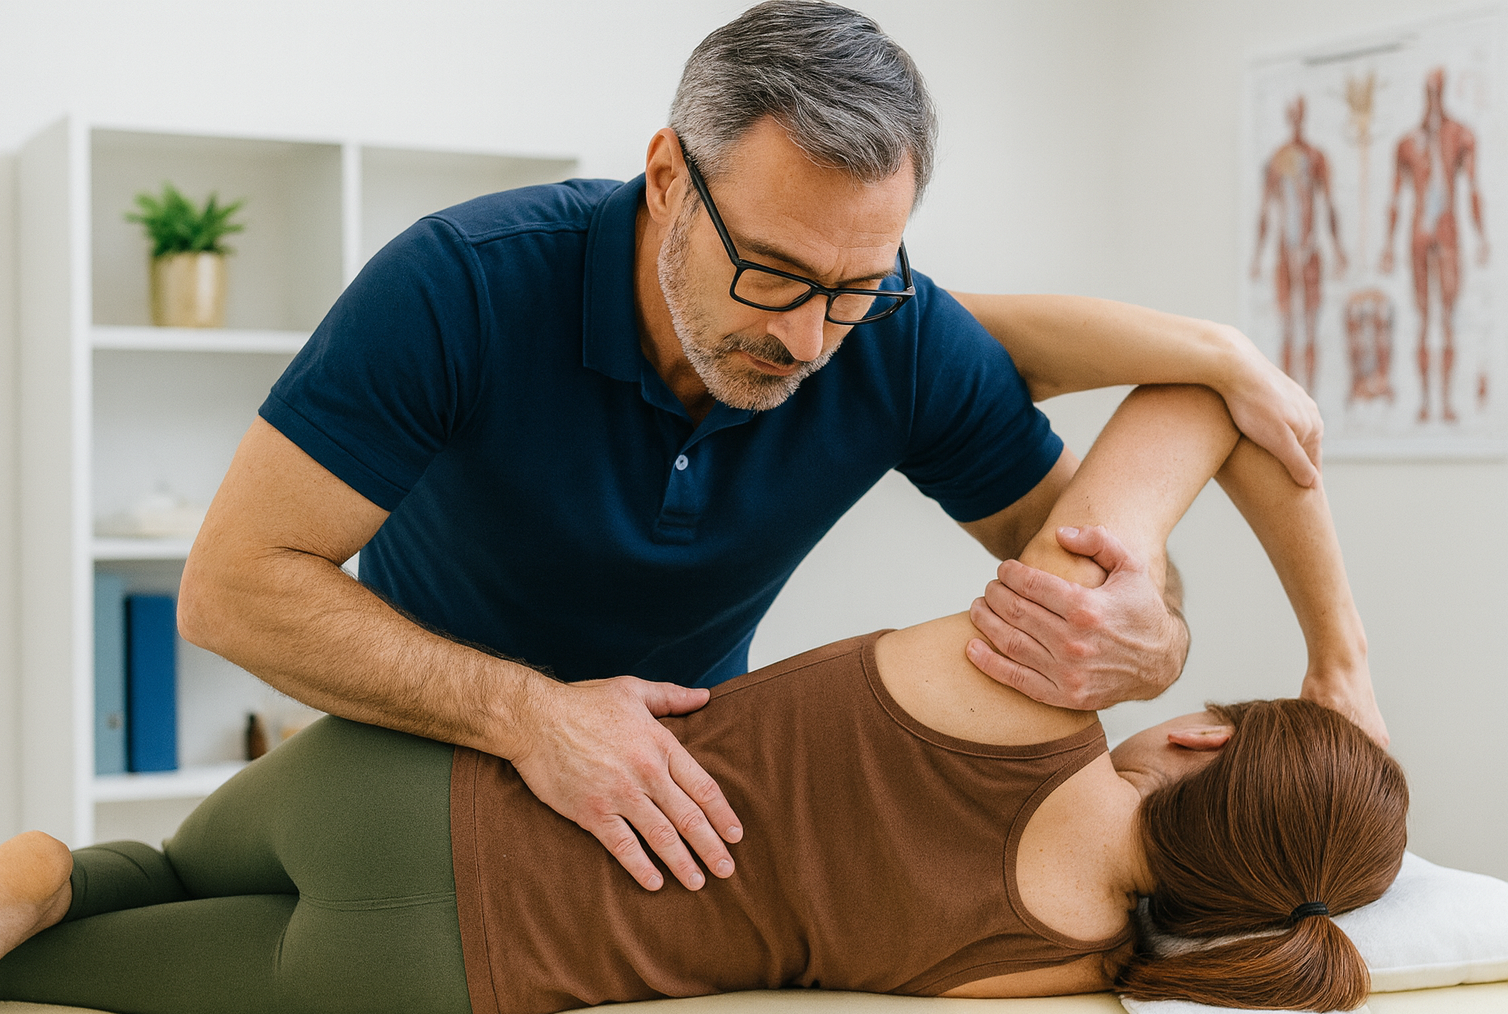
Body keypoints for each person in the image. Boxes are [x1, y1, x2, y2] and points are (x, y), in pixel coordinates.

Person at [177, 0, 1353, 899]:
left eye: (850, 287)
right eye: (774, 273)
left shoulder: (891, 333)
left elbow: (1100, 556)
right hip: (416, 765)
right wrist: (533, 715)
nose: (803, 338)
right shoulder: (462, 286)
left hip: (674, 799)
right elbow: (232, 588)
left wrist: (1153, 643)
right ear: (667, 180)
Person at [0, 385, 1403, 1014]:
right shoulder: (1061, 967)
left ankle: (37, 865)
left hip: (410, 789)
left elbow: (1206, 395)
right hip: (445, 979)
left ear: (1206, 735)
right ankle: (37, 895)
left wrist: (1341, 662)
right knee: (37, 981)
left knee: (148, 870)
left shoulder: (1025, 686)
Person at [1378, 67, 1491, 422]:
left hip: (1447, 232)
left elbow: (1473, 188)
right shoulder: (1408, 143)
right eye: (1429, 89)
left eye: (1437, 88)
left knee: (1448, 317)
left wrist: (1482, 236)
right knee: (1425, 318)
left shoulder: (1460, 135)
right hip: (1419, 233)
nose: (1433, 95)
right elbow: (1395, 198)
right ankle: (1426, 402)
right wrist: (1387, 245)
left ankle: (1446, 402)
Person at [1250, 95, 1348, 393]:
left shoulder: (1317, 158)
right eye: (1291, 114)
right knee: (1287, 328)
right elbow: (1265, 211)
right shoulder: (1277, 160)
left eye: (1299, 113)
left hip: (1309, 251)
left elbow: (1328, 205)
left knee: (1310, 329)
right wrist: (1257, 256)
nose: (1295, 119)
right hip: (1285, 252)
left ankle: (1310, 399)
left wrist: (1337, 249)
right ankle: (1288, 399)